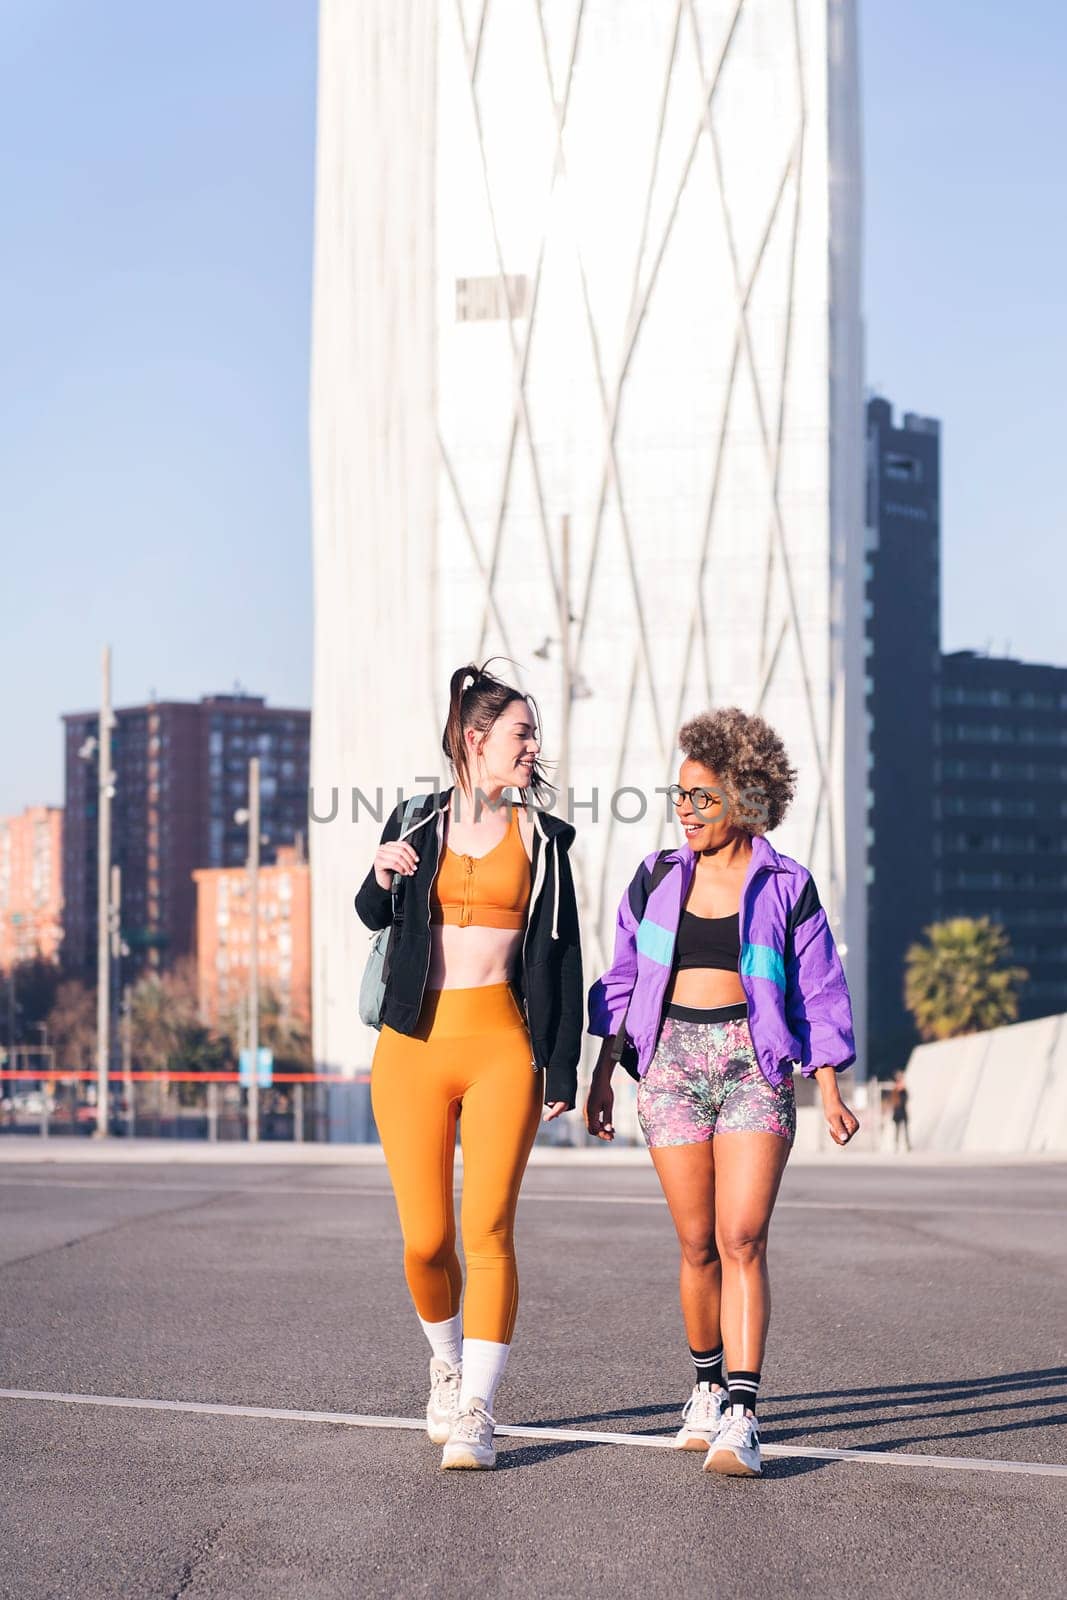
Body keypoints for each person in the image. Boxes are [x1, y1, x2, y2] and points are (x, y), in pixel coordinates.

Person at [585, 707, 859, 1478]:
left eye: (701, 797)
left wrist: (829, 1087)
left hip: (751, 1065)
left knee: (742, 1236)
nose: (685, 810)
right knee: (696, 1242)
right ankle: (703, 1389)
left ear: (742, 798)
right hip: (668, 1065)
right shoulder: (655, 879)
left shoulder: (785, 884)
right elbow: (621, 980)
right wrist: (602, 1073)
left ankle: (742, 1411)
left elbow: (819, 991)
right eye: (679, 796)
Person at [355, 662, 582, 1470]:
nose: (533, 747)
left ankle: (480, 1410)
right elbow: (372, 911)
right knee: (425, 1240)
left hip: (500, 1049)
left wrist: (561, 1065)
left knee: (486, 1231)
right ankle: (446, 1363)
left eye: (534, 735)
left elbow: (560, 960)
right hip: (412, 1047)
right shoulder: (417, 822)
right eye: (522, 733)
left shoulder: (546, 841)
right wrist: (381, 871)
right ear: (475, 739)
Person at [889, 1070, 910, 1152]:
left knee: (905, 1130)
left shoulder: (903, 1090)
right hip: (897, 1112)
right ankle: (896, 1145)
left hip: (903, 1111)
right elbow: (894, 1101)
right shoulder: (895, 1090)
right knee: (897, 1130)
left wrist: (902, 1089)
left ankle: (907, 1145)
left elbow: (906, 1099)